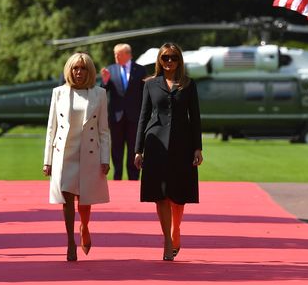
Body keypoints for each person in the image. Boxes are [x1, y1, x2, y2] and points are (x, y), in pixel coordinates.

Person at [134, 43, 202, 261]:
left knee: (178, 195)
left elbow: (196, 118)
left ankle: (176, 229)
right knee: (161, 195)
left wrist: (198, 147)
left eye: (173, 58)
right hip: (155, 145)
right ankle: (166, 240)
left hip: (183, 144)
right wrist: (138, 150)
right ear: (159, 61)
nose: (169, 62)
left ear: (179, 60)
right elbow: (143, 117)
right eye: (165, 58)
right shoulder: (150, 84)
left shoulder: (189, 85)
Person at [43, 52, 110, 262]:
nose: (79, 73)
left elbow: (103, 130)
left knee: (85, 199)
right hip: (64, 152)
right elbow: (51, 128)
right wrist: (47, 160)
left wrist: (105, 158)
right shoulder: (59, 93)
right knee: (67, 197)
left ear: (90, 72)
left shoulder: (99, 94)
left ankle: (85, 226)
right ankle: (70, 242)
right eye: (75, 69)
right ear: (69, 71)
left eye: (83, 69)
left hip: (89, 152)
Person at [100, 43, 145, 180]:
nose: (115, 56)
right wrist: (105, 81)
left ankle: (133, 178)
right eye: (115, 54)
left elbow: (145, 94)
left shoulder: (140, 70)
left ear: (128, 54)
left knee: (134, 149)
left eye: (118, 54)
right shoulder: (110, 70)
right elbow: (102, 91)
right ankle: (117, 177)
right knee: (116, 150)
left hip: (135, 117)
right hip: (116, 117)